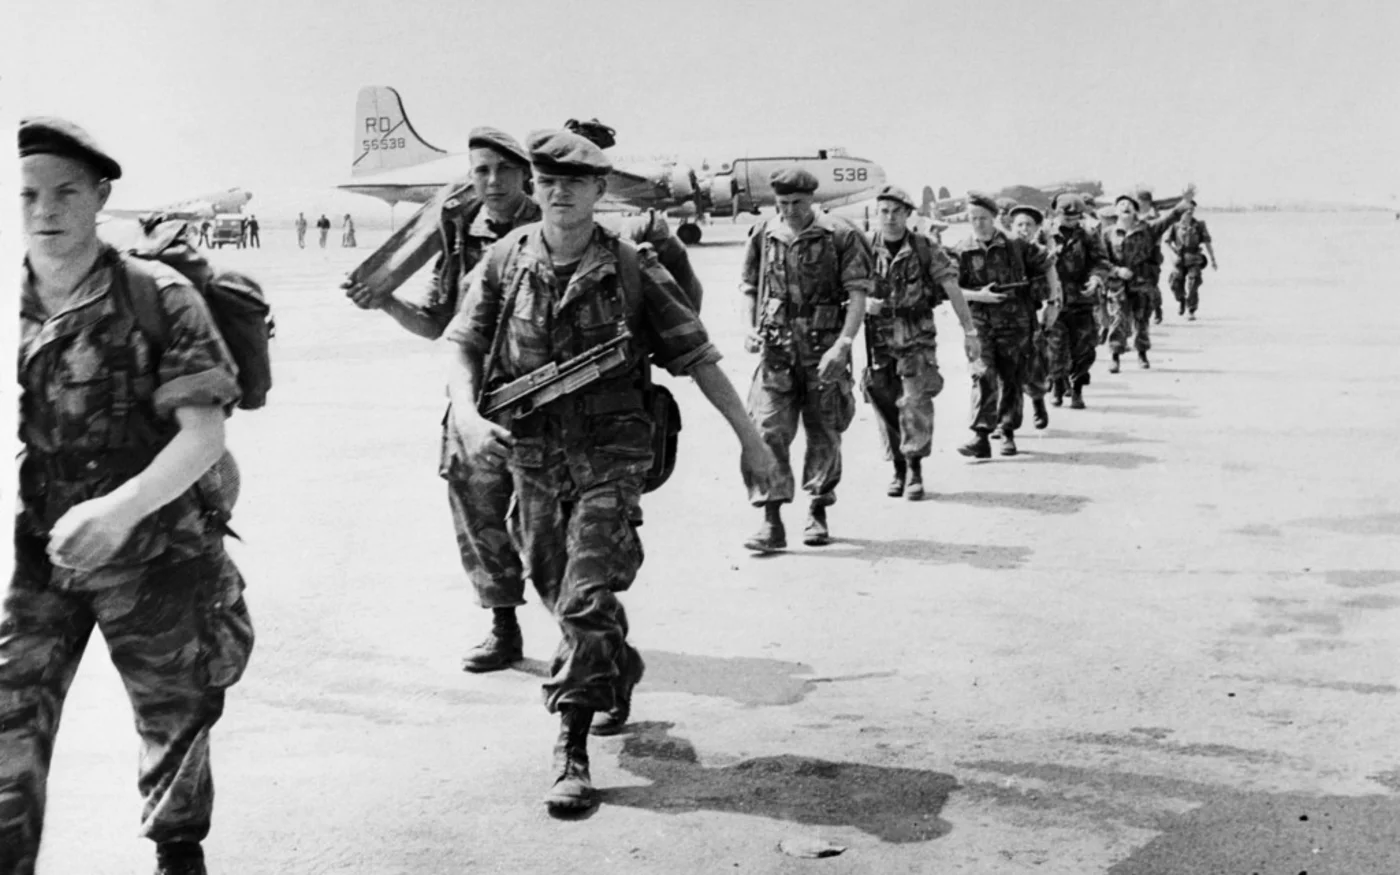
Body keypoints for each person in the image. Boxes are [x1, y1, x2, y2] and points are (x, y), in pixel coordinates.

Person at [443, 129, 776, 811]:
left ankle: (571, 748)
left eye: (574, 182)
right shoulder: (505, 261)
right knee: (551, 582)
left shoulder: (630, 267)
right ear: (535, 188)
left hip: (610, 455)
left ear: (600, 191)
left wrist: (752, 441)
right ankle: (616, 666)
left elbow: (699, 357)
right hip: (533, 457)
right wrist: (467, 416)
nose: (559, 192)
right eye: (547, 181)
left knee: (584, 594)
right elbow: (462, 347)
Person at [4, 117, 254, 875]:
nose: (45, 210)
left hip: (157, 552)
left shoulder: (158, 295)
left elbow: (202, 435)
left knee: (172, 723)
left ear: (102, 195)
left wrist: (119, 508)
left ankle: (179, 854)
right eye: (30, 195)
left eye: (65, 192)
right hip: (48, 551)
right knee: (11, 721)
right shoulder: (18, 296)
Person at [344, 127, 542, 675]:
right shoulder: (458, 234)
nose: (493, 182)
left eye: (504, 170)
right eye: (481, 171)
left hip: (547, 399)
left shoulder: (552, 226)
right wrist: (383, 302)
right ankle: (503, 625)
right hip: (476, 398)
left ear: (526, 174)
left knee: (553, 523)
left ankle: (580, 629)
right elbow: (437, 324)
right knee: (477, 511)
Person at [740, 167, 874, 551]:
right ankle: (771, 519)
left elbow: (858, 295)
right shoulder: (765, 234)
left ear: (812, 200)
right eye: (782, 204)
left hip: (824, 351)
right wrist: (748, 327)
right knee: (766, 430)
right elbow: (750, 287)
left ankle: (818, 507)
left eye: (797, 203)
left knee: (824, 430)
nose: (790, 211)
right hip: (777, 351)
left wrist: (844, 344)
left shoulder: (842, 235)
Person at [861, 184, 978, 499]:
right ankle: (898, 467)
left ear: (908, 215)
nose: (889, 217)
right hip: (878, 339)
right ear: (876, 213)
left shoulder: (925, 248)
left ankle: (914, 466)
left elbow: (952, 288)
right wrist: (860, 306)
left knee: (914, 401)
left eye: (896, 211)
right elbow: (843, 288)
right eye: (884, 211)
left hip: (916, 336)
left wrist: (969, 332)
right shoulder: (863, 247)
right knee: (883, 401)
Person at [951, 192, 1062, 459]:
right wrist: (980, 296)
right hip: (980, 324)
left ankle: (1008, 431)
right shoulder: (961, 249)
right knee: (983, 374)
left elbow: (1048, 263)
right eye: (973, 219)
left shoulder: (1016, 245)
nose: (978, 224)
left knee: (1011, 378)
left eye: (983, 218)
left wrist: (1053, 301)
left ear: (995, 218)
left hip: (1016, 322)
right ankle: (980, 435)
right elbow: (950, 289)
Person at [1101, 190, 1191, 372]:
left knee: (1142, 319)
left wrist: (1184, 202)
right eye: (1121, 205)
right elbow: (1101, 259)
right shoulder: (1108, 233)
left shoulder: (1147, 229)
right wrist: (1116, 271)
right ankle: (1115, 356)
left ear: (1135, 211)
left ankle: (1142, 354)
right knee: (1118, 319)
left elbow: (1169, 218)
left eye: (1129, 205)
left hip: (1142, 282)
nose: (1125, 207)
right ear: (1115, 211)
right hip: (1117, 283)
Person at [1044, 195, 1113, 409]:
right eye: (1067, 217)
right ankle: (1057, 383)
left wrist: (1096, 278)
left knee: (1084, 348)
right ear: (1057, 213)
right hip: (1054, 300)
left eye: (1076, 217)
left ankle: (1077, 388)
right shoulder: (1044, 234)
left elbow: (1100, 261)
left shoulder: (1089, 235)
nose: (1071, 221)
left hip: (1082, 298)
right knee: (1055, 347)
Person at [1007, 204, 1053, 430]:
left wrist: (1052, 304)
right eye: (1019, 225)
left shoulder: (1040, 252)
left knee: (1034, 365)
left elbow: (1052, 281)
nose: (1024, 229)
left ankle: (1038, 402)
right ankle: (1004, 421)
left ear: (1036, 229)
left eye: (1029, 225)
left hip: (1029, 314)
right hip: (1002, 317)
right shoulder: (1004, 249)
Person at [1165, 198, 1217, 320]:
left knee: (1193, 283)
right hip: (1179, 258)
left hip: (1194, 257)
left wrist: (1213, 259)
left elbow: (1207, 243)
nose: (1189, 211)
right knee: (1175, 283)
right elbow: (1167, 242)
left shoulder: (1199, 225)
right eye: (1187, 209)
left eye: (1192, 209)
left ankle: (1191, 309)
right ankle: (1182, 300)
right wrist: (1172, 255)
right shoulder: (1174, 225)